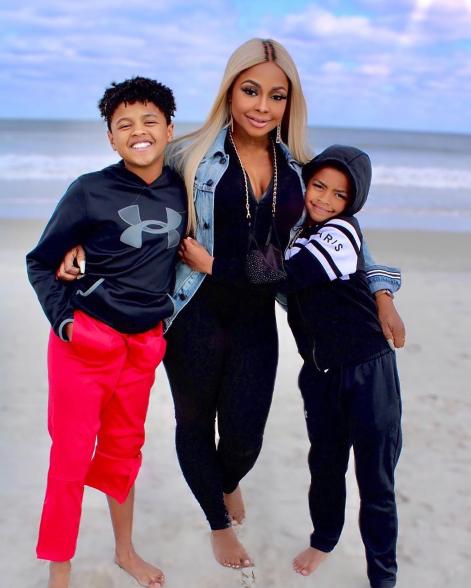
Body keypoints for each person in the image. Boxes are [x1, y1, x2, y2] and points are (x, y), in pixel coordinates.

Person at [57, 38, 405, 571]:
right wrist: (79, 242)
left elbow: (348, 237)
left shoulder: (300, 169)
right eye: (250, 91)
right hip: (191, 308)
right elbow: (129, 192)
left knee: (245, 433)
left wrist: (382, 292)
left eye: (276, 95)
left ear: (290, 103)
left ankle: (229, 479)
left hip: (256, 310)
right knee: (195, 424)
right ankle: (218, 522)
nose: (261, 106)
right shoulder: (188, 153)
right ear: (230, 90)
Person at [26, 77, 187, 588]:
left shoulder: (181, 187)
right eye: (124, 125)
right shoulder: (89, 191)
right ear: (111, 139)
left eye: (149, 122)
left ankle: (125, 551)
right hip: (86, 343)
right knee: (70, 458)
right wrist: (67, 322)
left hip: (142, 349)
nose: (138, 132)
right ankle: (60, 571)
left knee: (123, 454)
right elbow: (40, 263)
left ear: (168, 130)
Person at [282, 145, 402, 588]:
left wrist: (215, 265)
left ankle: (382, 576)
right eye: (318, 187)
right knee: (325, 467)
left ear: (351, 205)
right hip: (319, 374)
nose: (324, 201)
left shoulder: (342, 232)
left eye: (338, 196)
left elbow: (284, 277)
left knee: (376, 482)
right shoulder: (295, 231)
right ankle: (324, 538)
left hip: (368, 371)